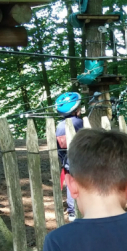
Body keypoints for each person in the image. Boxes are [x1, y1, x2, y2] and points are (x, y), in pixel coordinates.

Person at [55, 92, 84, 221]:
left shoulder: (59, 126)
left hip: (67, 162)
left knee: (71, 184)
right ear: (76, 109)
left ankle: (72, 212)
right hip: (82, 161)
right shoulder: (80, 123)